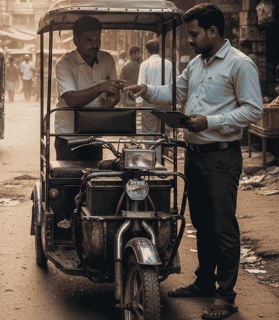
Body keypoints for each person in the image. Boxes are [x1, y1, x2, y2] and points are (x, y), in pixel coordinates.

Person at [124, 4, 262, 319]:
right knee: (201, 223)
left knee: (222, 227)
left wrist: (209, 121)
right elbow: (175, 91)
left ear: (213, 31)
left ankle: (225, 297)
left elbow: (253, 109)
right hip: (195, 155)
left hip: (221, 156)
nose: (191, 40)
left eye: (194, 33)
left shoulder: (240, 65)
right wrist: (145, 90)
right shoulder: (198, 64)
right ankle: (204, 283)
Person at [54, 16, 125, 161]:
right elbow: (72, 100)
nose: (95, 44)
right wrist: (100, 87)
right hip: (68, 138)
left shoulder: (107, 59)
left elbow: (115, 94)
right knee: (69, 181)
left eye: (97, 39)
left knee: (94, 180)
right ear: (76, 41)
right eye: (89, 40)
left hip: (95, 136)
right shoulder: (64, 64)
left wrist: (106, 105)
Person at [137, 40, 176, 162]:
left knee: (149, 133)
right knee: (162, 133)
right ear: (159, 49)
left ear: (147, 50)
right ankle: (159, 161)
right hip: (165, 102)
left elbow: (141, 85)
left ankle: (151, 161)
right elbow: (175, 84)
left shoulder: (145, 64)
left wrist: (138, 103)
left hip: (149, 103)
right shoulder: (169, 64)